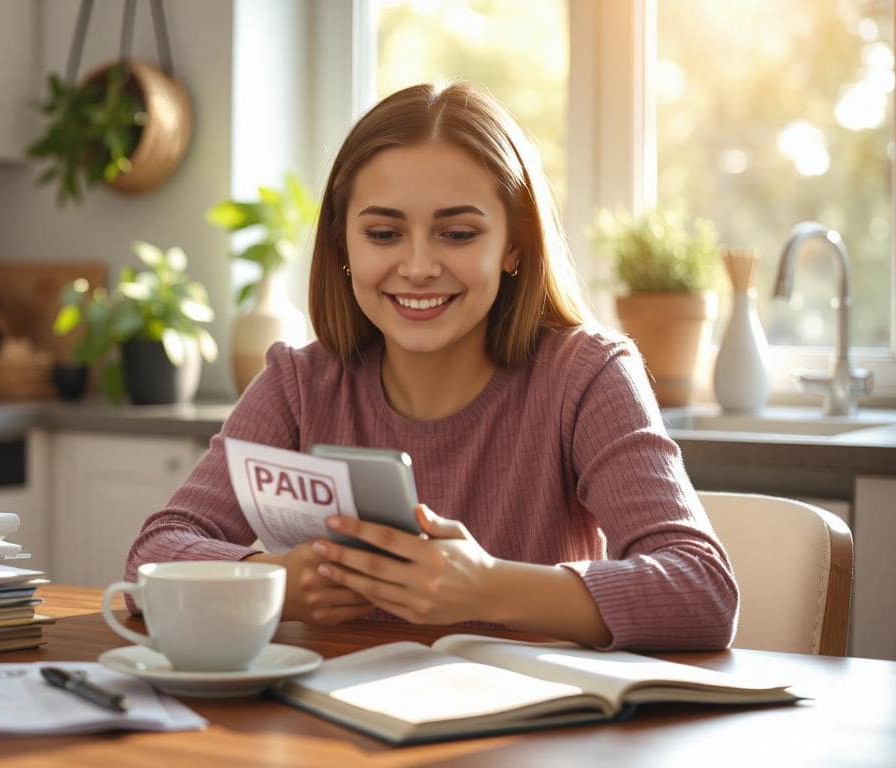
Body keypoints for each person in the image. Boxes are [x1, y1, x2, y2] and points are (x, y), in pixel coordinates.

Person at [125, 82, 737, 650]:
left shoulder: (587, 375)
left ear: (514, 245)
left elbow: (702, 590)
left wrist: (487, 587)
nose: (417, 267)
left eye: (458, 234)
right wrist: (277, 578)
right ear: (343, 245)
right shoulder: (300, 383)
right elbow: (152, 555)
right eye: (385, 234)